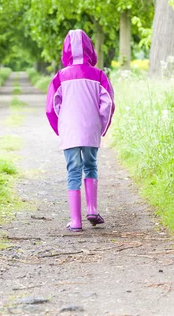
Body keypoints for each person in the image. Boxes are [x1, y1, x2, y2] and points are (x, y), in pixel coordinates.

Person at [46, 29, 115, 232]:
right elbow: (107, 104)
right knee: (91, 165)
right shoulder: (99, 75)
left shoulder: (60, 77)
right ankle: (92, 209)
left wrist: (60, 128)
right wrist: (102, 126)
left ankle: (76, 221)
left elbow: (51, 107)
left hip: (69, 130)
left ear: (66, 50)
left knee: (73, 172)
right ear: (90, 49)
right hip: (91, 128)